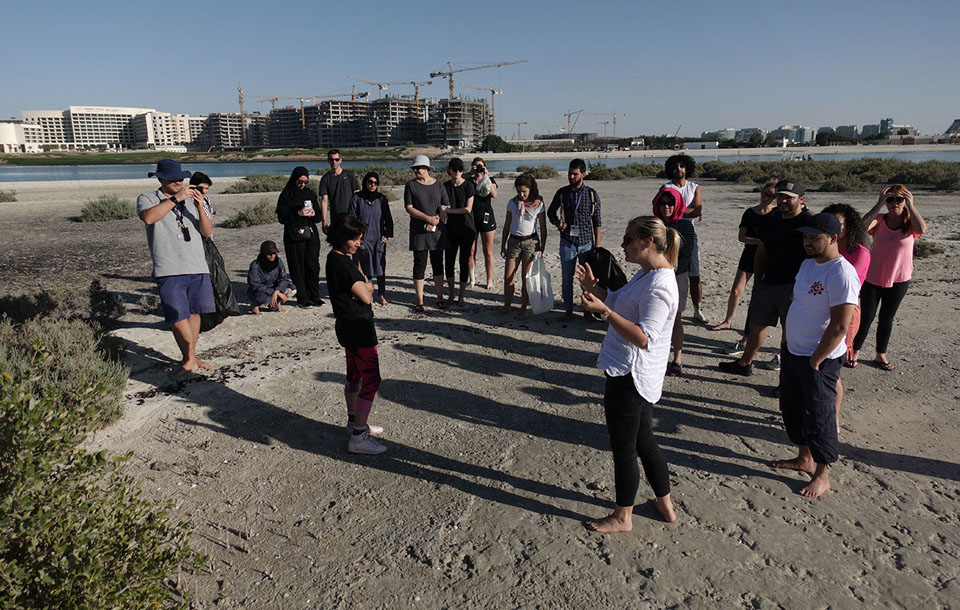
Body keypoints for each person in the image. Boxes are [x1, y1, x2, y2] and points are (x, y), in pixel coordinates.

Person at [574, 216, 680, 532]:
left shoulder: (660, 285)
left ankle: (623, 516)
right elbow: (620, 302)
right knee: (645, 442)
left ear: (647, 242)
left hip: (631, 375)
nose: (622, 245)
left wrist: (604, 313)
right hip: (634, 373)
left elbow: (644, 337)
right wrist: (595, 289)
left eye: (627, 238)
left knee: (625, 449)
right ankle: (665, 505)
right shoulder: (646, 273)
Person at [773, 213, 859, 499]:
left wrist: (816, 360)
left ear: (833, 239)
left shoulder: (841, 273)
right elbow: (798, 303)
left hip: (818, 359)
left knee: (819, 414)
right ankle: (804, 458)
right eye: (806, 238)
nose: (807, 243)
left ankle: (823, 474)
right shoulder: (808, 264)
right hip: (793, 350)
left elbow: (840, 326)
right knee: (792, 407)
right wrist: (786, 339)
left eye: (815, 238)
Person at [719, 180, 813, 377]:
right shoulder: (774, 218)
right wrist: (758, 281)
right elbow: (762, 249)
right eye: (780, 196)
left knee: (790, 333)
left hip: (794, 286)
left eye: (789, 197)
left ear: (801, 199)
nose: (783, 200)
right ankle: (745, 363)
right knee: (756, 325)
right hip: (768, 282)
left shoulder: (809, 223)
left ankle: (786, 379)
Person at [136, 159, 215, 377]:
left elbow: (207, 232)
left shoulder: (192, 200)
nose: (179, 181)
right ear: (160, 178)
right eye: (174, 178)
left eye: (181, 178)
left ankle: (190, 357)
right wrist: (175, 199)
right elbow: (149, 218)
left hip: (197, 264)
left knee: (196, 313)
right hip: (169, 267)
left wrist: (200, 206)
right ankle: (189, 359)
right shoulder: (148, 198)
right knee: (178, 316)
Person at [325, 215, 386, 455]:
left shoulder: (335, 259)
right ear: (343, 239)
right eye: (355, 240)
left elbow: (360, 287)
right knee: (371, 380)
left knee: (354, 376)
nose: (359, 243)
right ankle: (359, 437)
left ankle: (354, 423)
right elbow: (366, 295)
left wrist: (362, 283)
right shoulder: (342, 263)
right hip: (358, 327)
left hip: (347, 326)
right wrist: (366, 285)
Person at [851, 184, 927, 371]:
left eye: (899, 199)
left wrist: (911, 206)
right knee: (867, 317)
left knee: (887, 318)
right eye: (890, 199)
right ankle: (854, 352)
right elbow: (860, 228)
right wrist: (878, 204)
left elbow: (922, 229)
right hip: (873, 277)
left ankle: (880, 355)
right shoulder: (880, 220)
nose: (894, 203)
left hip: (899, 279)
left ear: (905, 201)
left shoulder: (910, 224)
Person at [711, 180, 778, 357]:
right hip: (749, 255)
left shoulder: (777, 214)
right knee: (736, 290)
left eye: (771, 196)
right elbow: (742, 237)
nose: (766, 198)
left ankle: (749, 336)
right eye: (765, 194)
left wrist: (765, 245)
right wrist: (758, 241)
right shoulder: (750, 213)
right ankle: (728, 321)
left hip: (767, 258)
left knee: (758, 294)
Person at [822, 203, 870, 432]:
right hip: (820, 310)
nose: (833, 228)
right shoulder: (824, 247)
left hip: (845, 313)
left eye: (838, 224)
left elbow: (848, 287)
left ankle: (835, 416)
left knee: (832, 367)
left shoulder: (860, 252)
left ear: (848, 226)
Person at [547, 158, 602, 321]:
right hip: (567, 242)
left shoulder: (592, 194)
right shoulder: (562, 193)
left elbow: (597, 220)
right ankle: (568, 311)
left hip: (587, 243)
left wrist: (597, 244)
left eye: (575, 174)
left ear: (583, 174)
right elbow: (551, 213)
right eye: (570, 173)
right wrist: (558, 224)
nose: (571, 177)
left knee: (587, 281)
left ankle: (587, 311)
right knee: (566, 279)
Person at [652, 186, 696, 377]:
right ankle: (656, 356)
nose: (666, 207)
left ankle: (677, 358)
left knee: (675, 319)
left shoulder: (686, 226)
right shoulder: (654, 225)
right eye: (663, 203)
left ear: (677, 204)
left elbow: (686, 256)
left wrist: (666, 271)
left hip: (677, 278)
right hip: (654, 275)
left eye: (670, 203)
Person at [190, 172, 241, 331]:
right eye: (202, 188)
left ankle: (218, 311)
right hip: (198, 243)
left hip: (209, 241)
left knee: (217, 276)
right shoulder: (189, 201)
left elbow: (209, 222)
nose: (204, 191)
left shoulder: (206, 200)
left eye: (206, 188)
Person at [404, 155, 451, 312]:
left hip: (437, 231)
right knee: (419, 264)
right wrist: (427, 218)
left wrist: (441, 214)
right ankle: (419, 300)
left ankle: (439, 297)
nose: (416, 170)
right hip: (419, 231)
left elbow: (445, 204)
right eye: (415, 168)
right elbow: (409, 208)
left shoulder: (438, 185)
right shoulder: (410, 186)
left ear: (427, 169)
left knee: (438, 264)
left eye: (419, 168)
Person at [663, 154, 706, 324]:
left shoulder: (694, 187)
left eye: (682, 166)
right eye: (675, 166)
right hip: (669, 233)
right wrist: (688, 210)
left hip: (689, 233)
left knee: (694, 274)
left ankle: (697, 309)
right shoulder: (666, 188)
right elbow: (664, 211)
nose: (679, 169)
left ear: (687, 168)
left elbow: (697, 209)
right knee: (670, 272)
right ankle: (671, 308)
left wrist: (677, 211)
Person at [498, 173, 547, 319]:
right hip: (513, 241)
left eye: (524, 191)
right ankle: (507, 307)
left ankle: (523, 309)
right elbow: (507, 224)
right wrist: (502, 244)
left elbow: (543, 227)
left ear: (530, 190)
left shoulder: (539, 204)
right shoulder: (512, 203)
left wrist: (542, 247)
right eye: (518, 191)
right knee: (508, 277)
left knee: (526, 278)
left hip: (531, 242)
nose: (521, 194)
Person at [276, 167, 323, 308]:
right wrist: (298, 213)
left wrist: (313, 213)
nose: (302, 185)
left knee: (313, 266)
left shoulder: (310, 193)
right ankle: (302, 298)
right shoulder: (286, 194)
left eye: (305, 182)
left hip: (310, 234)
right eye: (299, 182)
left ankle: (315, 296)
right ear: (294, 180)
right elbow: (282, 217)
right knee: (298, 267)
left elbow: (319, 217)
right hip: (294, 235)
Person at [348, 171, 393, 305]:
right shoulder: (357, 198)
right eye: (370, 182)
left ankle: (381, 294)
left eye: (375, 183)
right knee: (367, 268)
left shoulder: (381, 199)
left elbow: (388, 218)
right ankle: (369, 294)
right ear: (365, 183)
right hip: (364, 239)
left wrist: (387, 235)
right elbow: (352, 218)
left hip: (378, 238)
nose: (372, 185)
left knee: (380, 267)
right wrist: (357, 237)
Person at [442, 158, 476, 306]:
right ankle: (451, 294)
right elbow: (440, 205)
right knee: (448, 262)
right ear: (449, 170)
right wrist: (442, 211)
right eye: (454, 169)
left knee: (464, 261)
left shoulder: (469, 186)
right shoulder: (444, 187)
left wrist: (448, 210)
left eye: (460, 169)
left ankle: (461, 295)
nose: (457, 172)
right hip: (449, 229)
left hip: (467, 229)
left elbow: (468, 209)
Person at [468, 157, 498, 289]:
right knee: (471, 251)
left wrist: (487, 175)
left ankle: (489, 280)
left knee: (488, 252)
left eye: (480, 166)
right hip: (471, 218)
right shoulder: (468, 181)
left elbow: (494, 194)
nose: (478, 168)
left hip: (486, 218)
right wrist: (471, 173)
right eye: (476, 166)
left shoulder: (489, 180)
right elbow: (457, 180)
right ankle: (472, 279)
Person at [247, 240, 297, 315]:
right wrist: (273, 292)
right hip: (260, 291)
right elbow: (255, 285)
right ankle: (255, 305)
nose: (272, 256)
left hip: (275, 288)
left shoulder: (278, 261)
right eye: (268, 253)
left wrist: (277, 291)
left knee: (292, 289)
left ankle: (277, 303)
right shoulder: (255, 265)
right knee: (268, 300)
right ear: (263, 254)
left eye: (274, 253)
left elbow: (284, 278)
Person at [319, 149, 360, 234]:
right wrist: (324, 221)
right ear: (328, 161)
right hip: (335, 218)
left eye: (336, 159)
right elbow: (324, 201)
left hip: (351, 216)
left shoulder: (349, 175)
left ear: (340, 160)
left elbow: (357, 195)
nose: (334, 162)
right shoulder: (325, 179)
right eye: (331, 160)